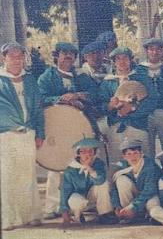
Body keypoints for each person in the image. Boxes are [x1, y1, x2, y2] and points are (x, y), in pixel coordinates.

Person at [38, 42, 98, 219]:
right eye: (64, 53)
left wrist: (78, 96)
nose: (68, 57)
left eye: (72, 54)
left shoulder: (81, 77)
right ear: (56, 55)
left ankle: (86, 203)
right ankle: (52, 206)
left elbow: (94, 94)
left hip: (78, 128)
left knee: (84, 164)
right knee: (55, 165)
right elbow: (40, 98)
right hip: (55, 127)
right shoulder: (46, 77)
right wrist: (62, 99)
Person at [0, 42, 44, 230]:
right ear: (3, 58)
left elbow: (38, 108)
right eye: (12, 56)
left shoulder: (30, 80)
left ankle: (32, 215)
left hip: (28, 133)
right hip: (6, 135)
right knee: (8, 176)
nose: (17, 60)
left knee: (28, 175)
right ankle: (9, 219)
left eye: (20, 57)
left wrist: (40, 133)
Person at [97, 47, 157, 164]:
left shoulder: (142, 78)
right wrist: (110, 106)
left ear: (131, 60)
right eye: (118, 59)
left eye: (125, 58)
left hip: (138, 123)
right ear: (113, 63)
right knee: (118, 159)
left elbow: (152, 100)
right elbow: (101, 104)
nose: (122, 62)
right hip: (116, 123)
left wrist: (133, 109)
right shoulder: (108, 82)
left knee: (143, 158)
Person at [60, 137, 115, 226]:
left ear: (94, 152)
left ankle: (104, 214)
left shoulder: (99, 163)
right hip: (77, 198)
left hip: (91, 197)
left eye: (90, 151)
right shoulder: (70, 169)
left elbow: (100, 181)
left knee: (103, 184)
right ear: (78, 153)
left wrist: (91, 170)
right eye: (83, 151)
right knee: (76, 200)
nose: (87, 154)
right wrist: (64, 212)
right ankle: (77, 215)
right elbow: (65, 191)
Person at [110, 139, 160, 224]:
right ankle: (128, 216)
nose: (133, 157)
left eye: (135, 153)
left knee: (152, 206)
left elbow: (150, 190)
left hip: (151, 195)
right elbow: (114, 188)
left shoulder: (149, 166)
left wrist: (133, 206)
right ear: (124, 156)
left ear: (141, 153)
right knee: (121, 180)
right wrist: (116, 206)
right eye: (129, 154)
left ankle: (142, 215)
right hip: (135, 196)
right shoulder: (122, 166)